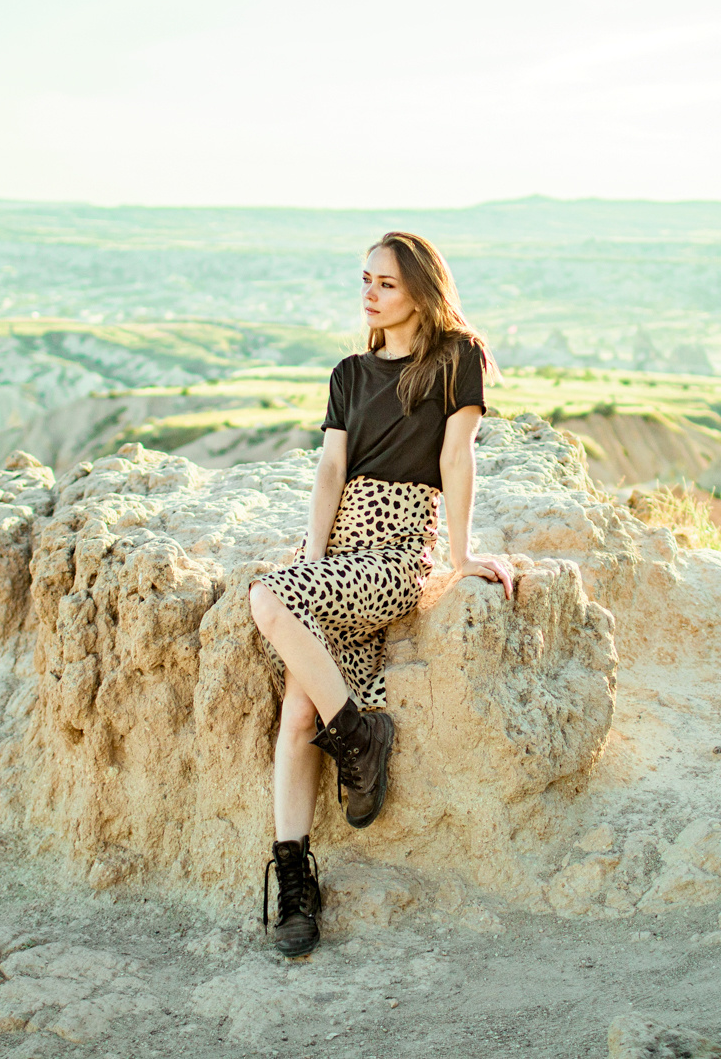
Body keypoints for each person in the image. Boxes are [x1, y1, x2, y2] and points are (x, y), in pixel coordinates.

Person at [248, 230, 516, 958]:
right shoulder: (346, 373)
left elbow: (457, 455)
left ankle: (362, 739)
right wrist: (312, 557)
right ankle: (297, 877)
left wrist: (460, 556)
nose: (369, 292)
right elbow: (330, 471)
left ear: (421, 290)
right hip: (339, 554)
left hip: (399, 551)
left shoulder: (456, 359)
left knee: (265, 601)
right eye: (365, 278)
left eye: (386, 282)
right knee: (300, 704)